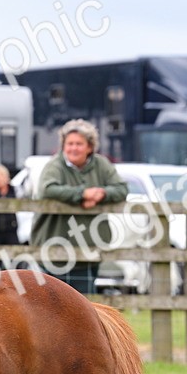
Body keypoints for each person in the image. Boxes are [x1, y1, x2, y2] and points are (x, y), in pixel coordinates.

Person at [29, 119, 128, 294]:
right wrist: (82, 194)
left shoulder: (101, 164)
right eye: (70, 144)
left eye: (79, 144)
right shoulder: (54, 166)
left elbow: (121, 188)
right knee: (54, 302)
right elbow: (48, 189)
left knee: (85, 302)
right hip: (54, 251)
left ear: (90, 147)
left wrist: (101, 194)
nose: (73, 148)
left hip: (90, 250)